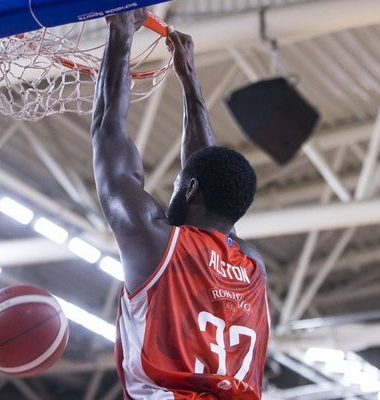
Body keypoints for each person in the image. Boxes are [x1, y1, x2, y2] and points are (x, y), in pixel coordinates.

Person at [91, 8, 270, 400]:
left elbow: (108, 133)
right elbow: (206, 169)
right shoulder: (251, 264)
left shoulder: (156, 243)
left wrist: (122, 30)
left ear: (190, 191)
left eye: (178, 184)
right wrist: (189, 80)